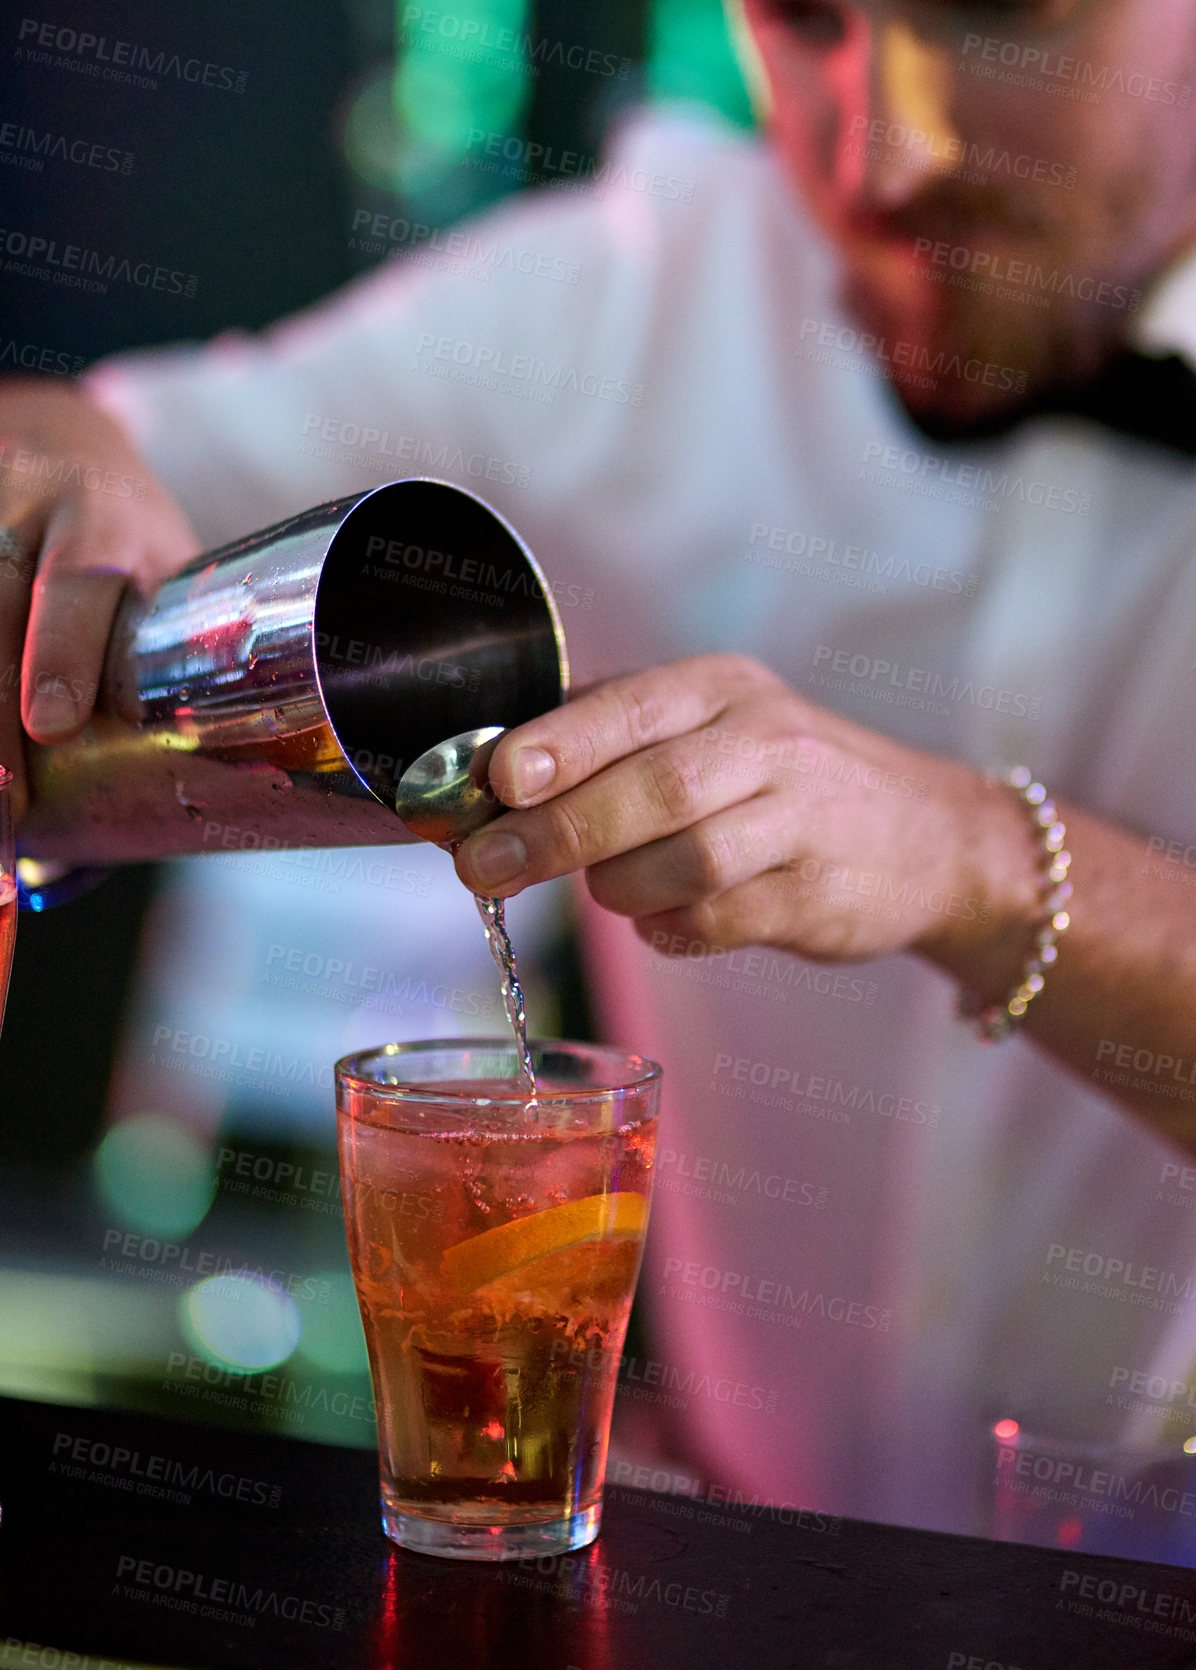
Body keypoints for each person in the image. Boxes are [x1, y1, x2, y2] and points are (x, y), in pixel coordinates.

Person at [3, 0, 1196, 1538]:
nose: (887, 148)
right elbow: (113, 453)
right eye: (805, 20)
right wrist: (57, 462)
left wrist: (974, 858)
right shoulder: (630, 295)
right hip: (777, 1588)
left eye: (994, 13)